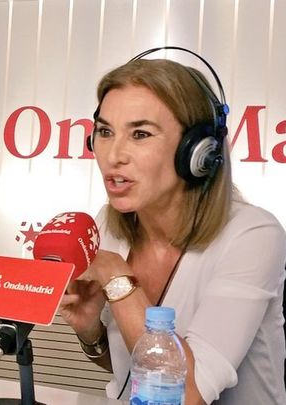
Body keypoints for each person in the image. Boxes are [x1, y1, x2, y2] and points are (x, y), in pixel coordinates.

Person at [60, 54, 286, 404]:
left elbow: (186, 395)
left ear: (197, 152)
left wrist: (116, 275)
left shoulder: (253, 235)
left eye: (140, 134)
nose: (113, 155)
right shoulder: (109, 226)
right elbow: (137, 372)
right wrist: (93, 335)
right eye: (105, 132)